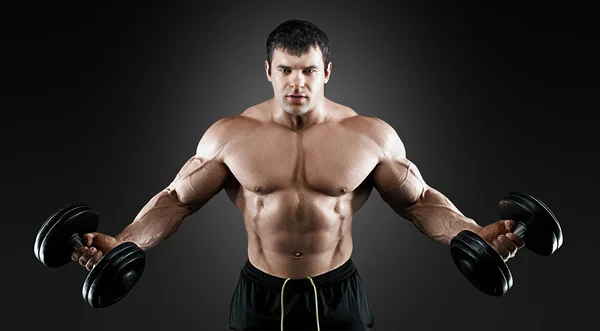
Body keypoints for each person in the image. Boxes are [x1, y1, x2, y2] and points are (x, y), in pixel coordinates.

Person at [71, 19, 525, 330]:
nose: (297, 84)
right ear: (268, 71)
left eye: (308, 70)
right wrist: (125, 242)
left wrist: (475, 234)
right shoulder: (231, 136)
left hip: (339, 292)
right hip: (260, 293)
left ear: (326, 72)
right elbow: (176, 201)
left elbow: (419, 202)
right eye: (286, 70)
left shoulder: (368, 136)